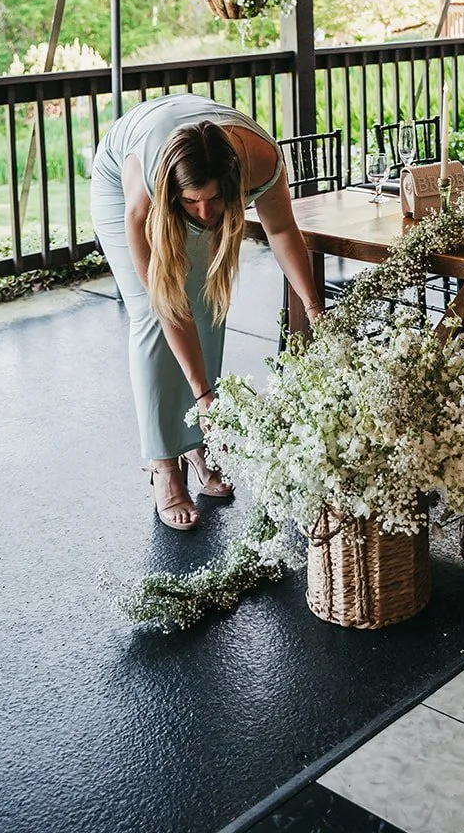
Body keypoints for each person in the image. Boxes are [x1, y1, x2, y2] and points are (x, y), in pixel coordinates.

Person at [91, 94, 323, 530]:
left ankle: (197, 440)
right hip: (121, 187)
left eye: (213, 199)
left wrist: (314, 309)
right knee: (153, 312)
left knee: (209, 298)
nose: (203, 213)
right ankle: (164, 463)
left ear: (231, 181)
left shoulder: (260, 159)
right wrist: (202, 392)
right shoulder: (150, 183)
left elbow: (281, 228)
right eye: (192, 202)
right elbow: (168, 307)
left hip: (190, 161)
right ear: (176, 192)